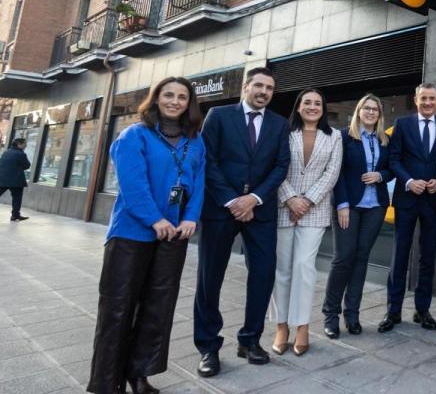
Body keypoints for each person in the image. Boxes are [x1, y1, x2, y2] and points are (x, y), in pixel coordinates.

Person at [87, 77, 205, 394]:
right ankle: (106, 382)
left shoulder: (196, 140)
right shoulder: (134, 135)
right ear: (155, 99)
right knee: (118, 308)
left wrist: (191, 217)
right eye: (168, 95)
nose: (175, 101)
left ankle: (140, 374)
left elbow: (199, 182)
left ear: (189, 103)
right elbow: (132, 184)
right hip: (131, 233)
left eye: (182, 96)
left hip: (174, 236)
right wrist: (155, 219)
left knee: (158, 308)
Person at [194, 67, 290, 377]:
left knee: (263, 275)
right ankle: (209, 346)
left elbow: (280, 166)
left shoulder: (279, 123)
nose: (264, 92)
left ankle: (250, 340)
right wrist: (234, 200)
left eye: (270, 88)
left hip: (260, 211)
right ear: (246, 87)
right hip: (221, 209)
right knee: (210, 279)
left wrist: (254, 199)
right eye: (259, 85)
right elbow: (207, 160)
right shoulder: (219, 116)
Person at [270, 89, 343, 356]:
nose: (313, 107)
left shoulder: (334, 136)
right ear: (298, 107)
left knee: (304, 266)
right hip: (283, 207)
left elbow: (332, 173)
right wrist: (291, 199)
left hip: (315, 210)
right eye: (307, 103)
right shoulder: (283, 132)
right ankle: (281, 326)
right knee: (282, 270)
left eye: (318, 103)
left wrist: (307, 201)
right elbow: (274, 167)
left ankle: (301, 325)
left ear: (323, 108)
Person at [323, 94, 393, 338]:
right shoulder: (343, 137)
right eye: (367, 108)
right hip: (348, 205)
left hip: (375, 206)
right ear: (359, 111)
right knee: (343, 258)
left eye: (375, 109)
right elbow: (337, 172)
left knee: (361, 258)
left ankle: (352, 314)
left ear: (380, 114)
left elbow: (392, 167)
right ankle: (330, 315)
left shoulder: (385, 139)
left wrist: (380, 176)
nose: (371, 112)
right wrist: (341, 203)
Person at [380, 83, 436, 332]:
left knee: (428, 256)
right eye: (423, 98)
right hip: (407, 199)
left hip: (432, 199)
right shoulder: (402, 125)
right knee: (400, 255)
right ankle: (393, 311)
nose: (428, 102)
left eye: (432, 98)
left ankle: (422, 310)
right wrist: (409, 181)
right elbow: (394, 159)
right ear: (416, 99)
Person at [0, 138, 31, 221]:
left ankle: (16, 215)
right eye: (24, 143)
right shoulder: (21, 154)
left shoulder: (6, 152)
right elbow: (27, 165)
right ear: (19, 144)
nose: (26, 145)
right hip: (16, 181)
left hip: (2, 179)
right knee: (17, 199)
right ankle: (15, 216)